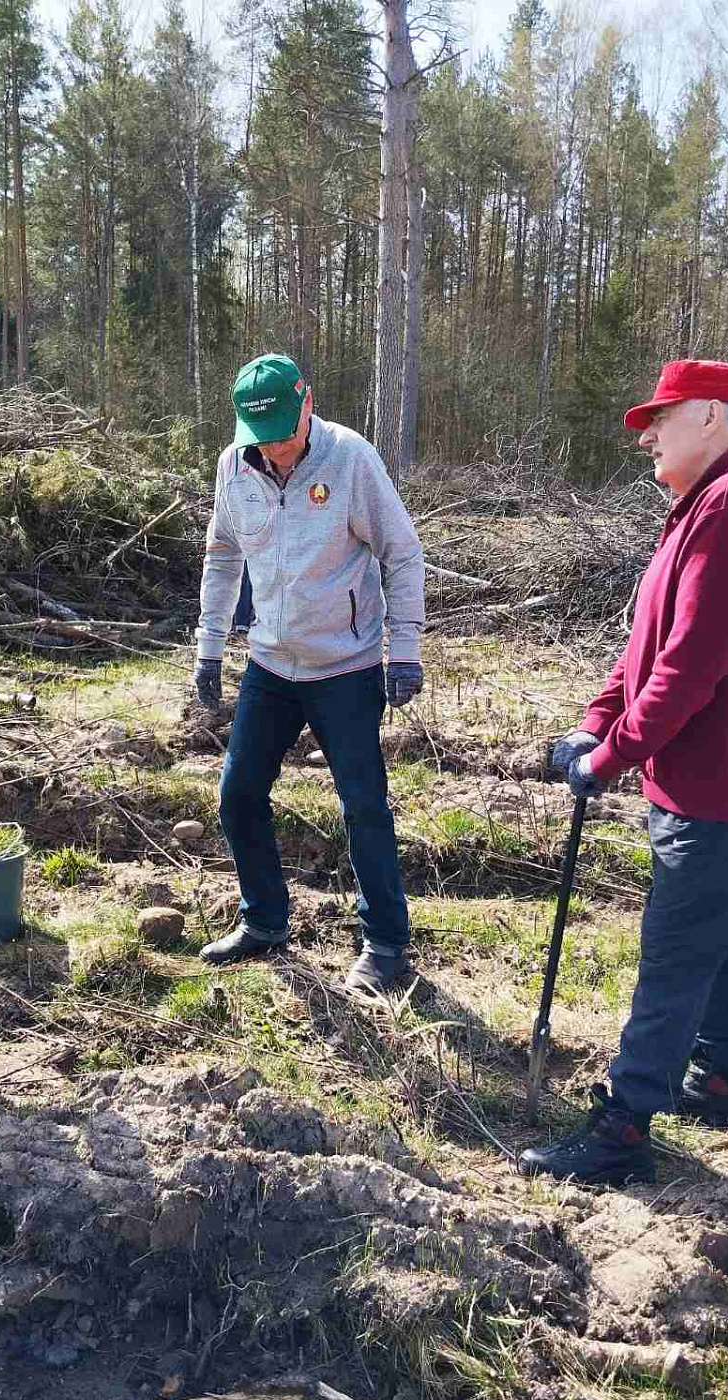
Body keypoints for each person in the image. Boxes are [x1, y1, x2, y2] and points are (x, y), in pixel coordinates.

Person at [522, 359, 728, 1187]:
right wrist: (594, 720)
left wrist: (609, 759)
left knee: (676, 945)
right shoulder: (708, 505)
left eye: (663, 417)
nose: (646, 434)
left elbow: (691, 666)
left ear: (712, 418)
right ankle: (722, 1076)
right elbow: (647, 643)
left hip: (718, 770)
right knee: (726, 913)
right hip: (717, 768)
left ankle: (624, 1125)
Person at [193, 353, 426, 992]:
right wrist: (209, 648)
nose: (275, 449)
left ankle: (385, 945)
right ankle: (264, 919)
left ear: (307, 404)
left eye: (284, 433)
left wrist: (403, 649)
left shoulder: (351, 459)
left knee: (363, 806)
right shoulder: (233, 468)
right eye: (260, 437)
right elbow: (222, 557)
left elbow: (401, 554)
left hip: (345, 668)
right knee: (238, 795)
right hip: (270, 663)